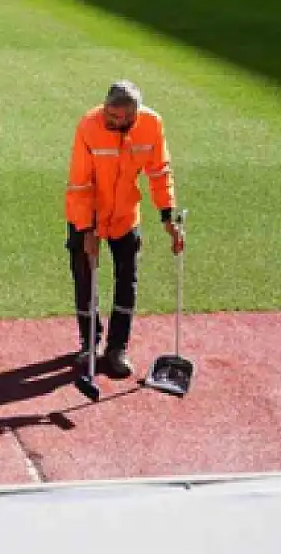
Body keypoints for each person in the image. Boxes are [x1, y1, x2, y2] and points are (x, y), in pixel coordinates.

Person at [63, 80, 184, 379]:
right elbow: (80, 183)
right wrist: (86, 229)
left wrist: (168, 217)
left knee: (126, 280)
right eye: (108, 113)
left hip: (125, 215)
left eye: (118, 118)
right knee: (84, 277)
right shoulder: (88, 126)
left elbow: (159, 172)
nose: (110, 120)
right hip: (87, 212)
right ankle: (88, 345)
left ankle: (117, 348)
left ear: (134, 115)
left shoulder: (151, 125)